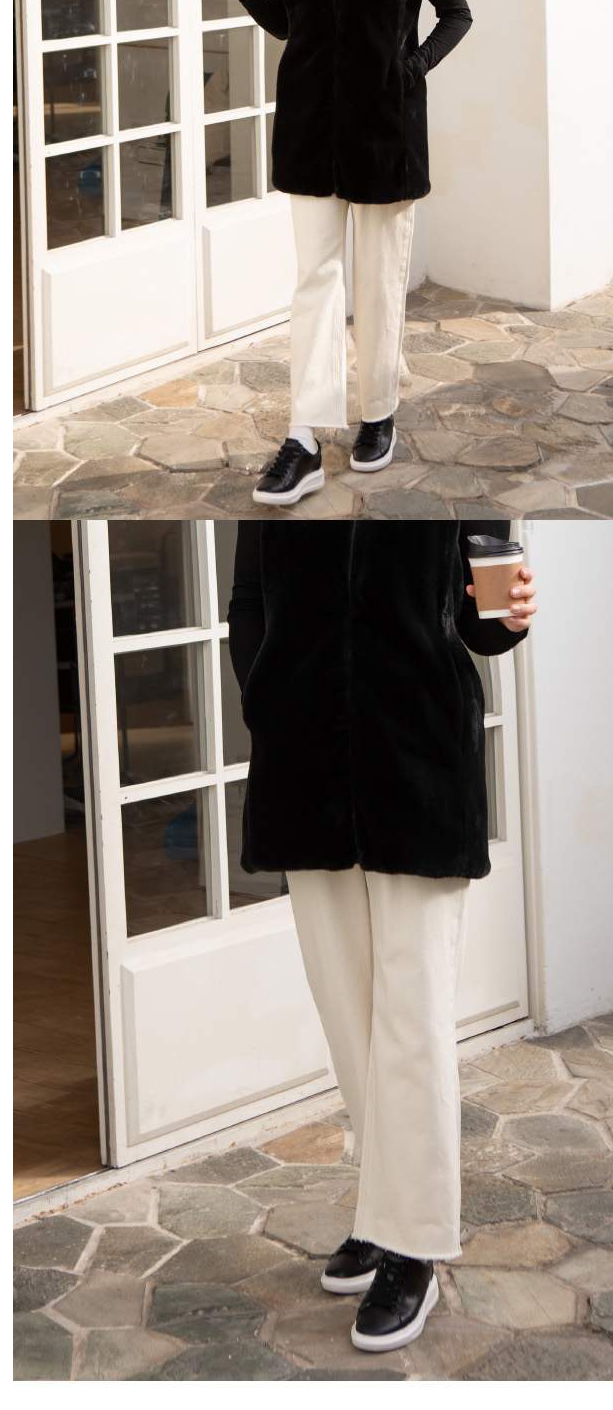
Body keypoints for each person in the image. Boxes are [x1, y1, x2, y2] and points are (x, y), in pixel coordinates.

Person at [228, 509, 537, 1355]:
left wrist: (512, 612)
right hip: (306, 767)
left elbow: (484, 622)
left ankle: (414, 1244)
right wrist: (270, 703)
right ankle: (382, 1208)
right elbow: (249, 599)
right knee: (350, 1014)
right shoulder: (286, 480)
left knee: (412, 1020)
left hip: (418, 761)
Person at [221, 0, 471, 493]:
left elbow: (456, 12)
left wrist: (408, 70)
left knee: (379, 280)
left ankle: (378, 413)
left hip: (384, 132)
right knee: (315, 282)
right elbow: (291, 26)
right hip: (309, 128)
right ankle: (304, 436)